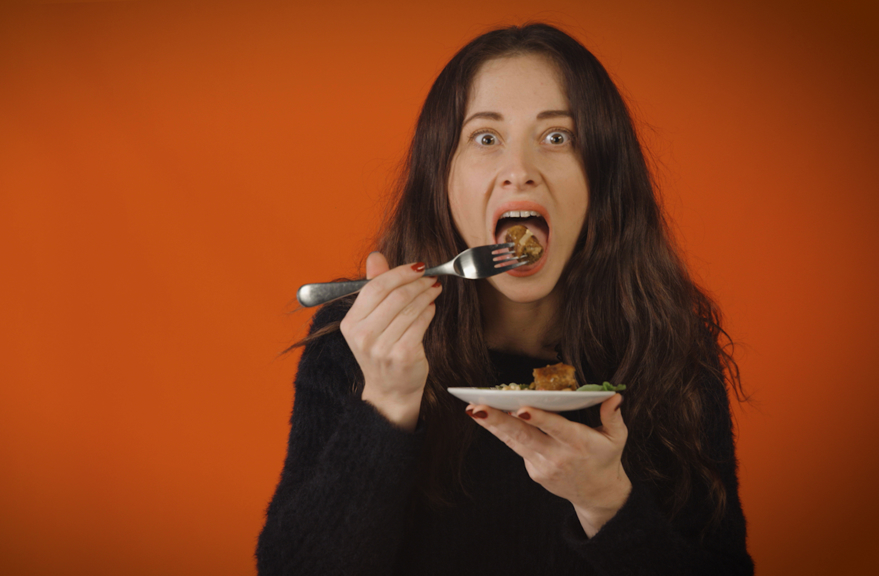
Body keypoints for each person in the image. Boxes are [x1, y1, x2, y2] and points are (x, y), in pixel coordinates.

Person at [256, 23, 753, 575]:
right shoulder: (364, 343)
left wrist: (606, 503)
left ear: (604, 176)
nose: (520, 172)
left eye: (558, 137)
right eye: (486, 138)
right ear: (441, 177)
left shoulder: (668, 346)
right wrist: (387, 403)